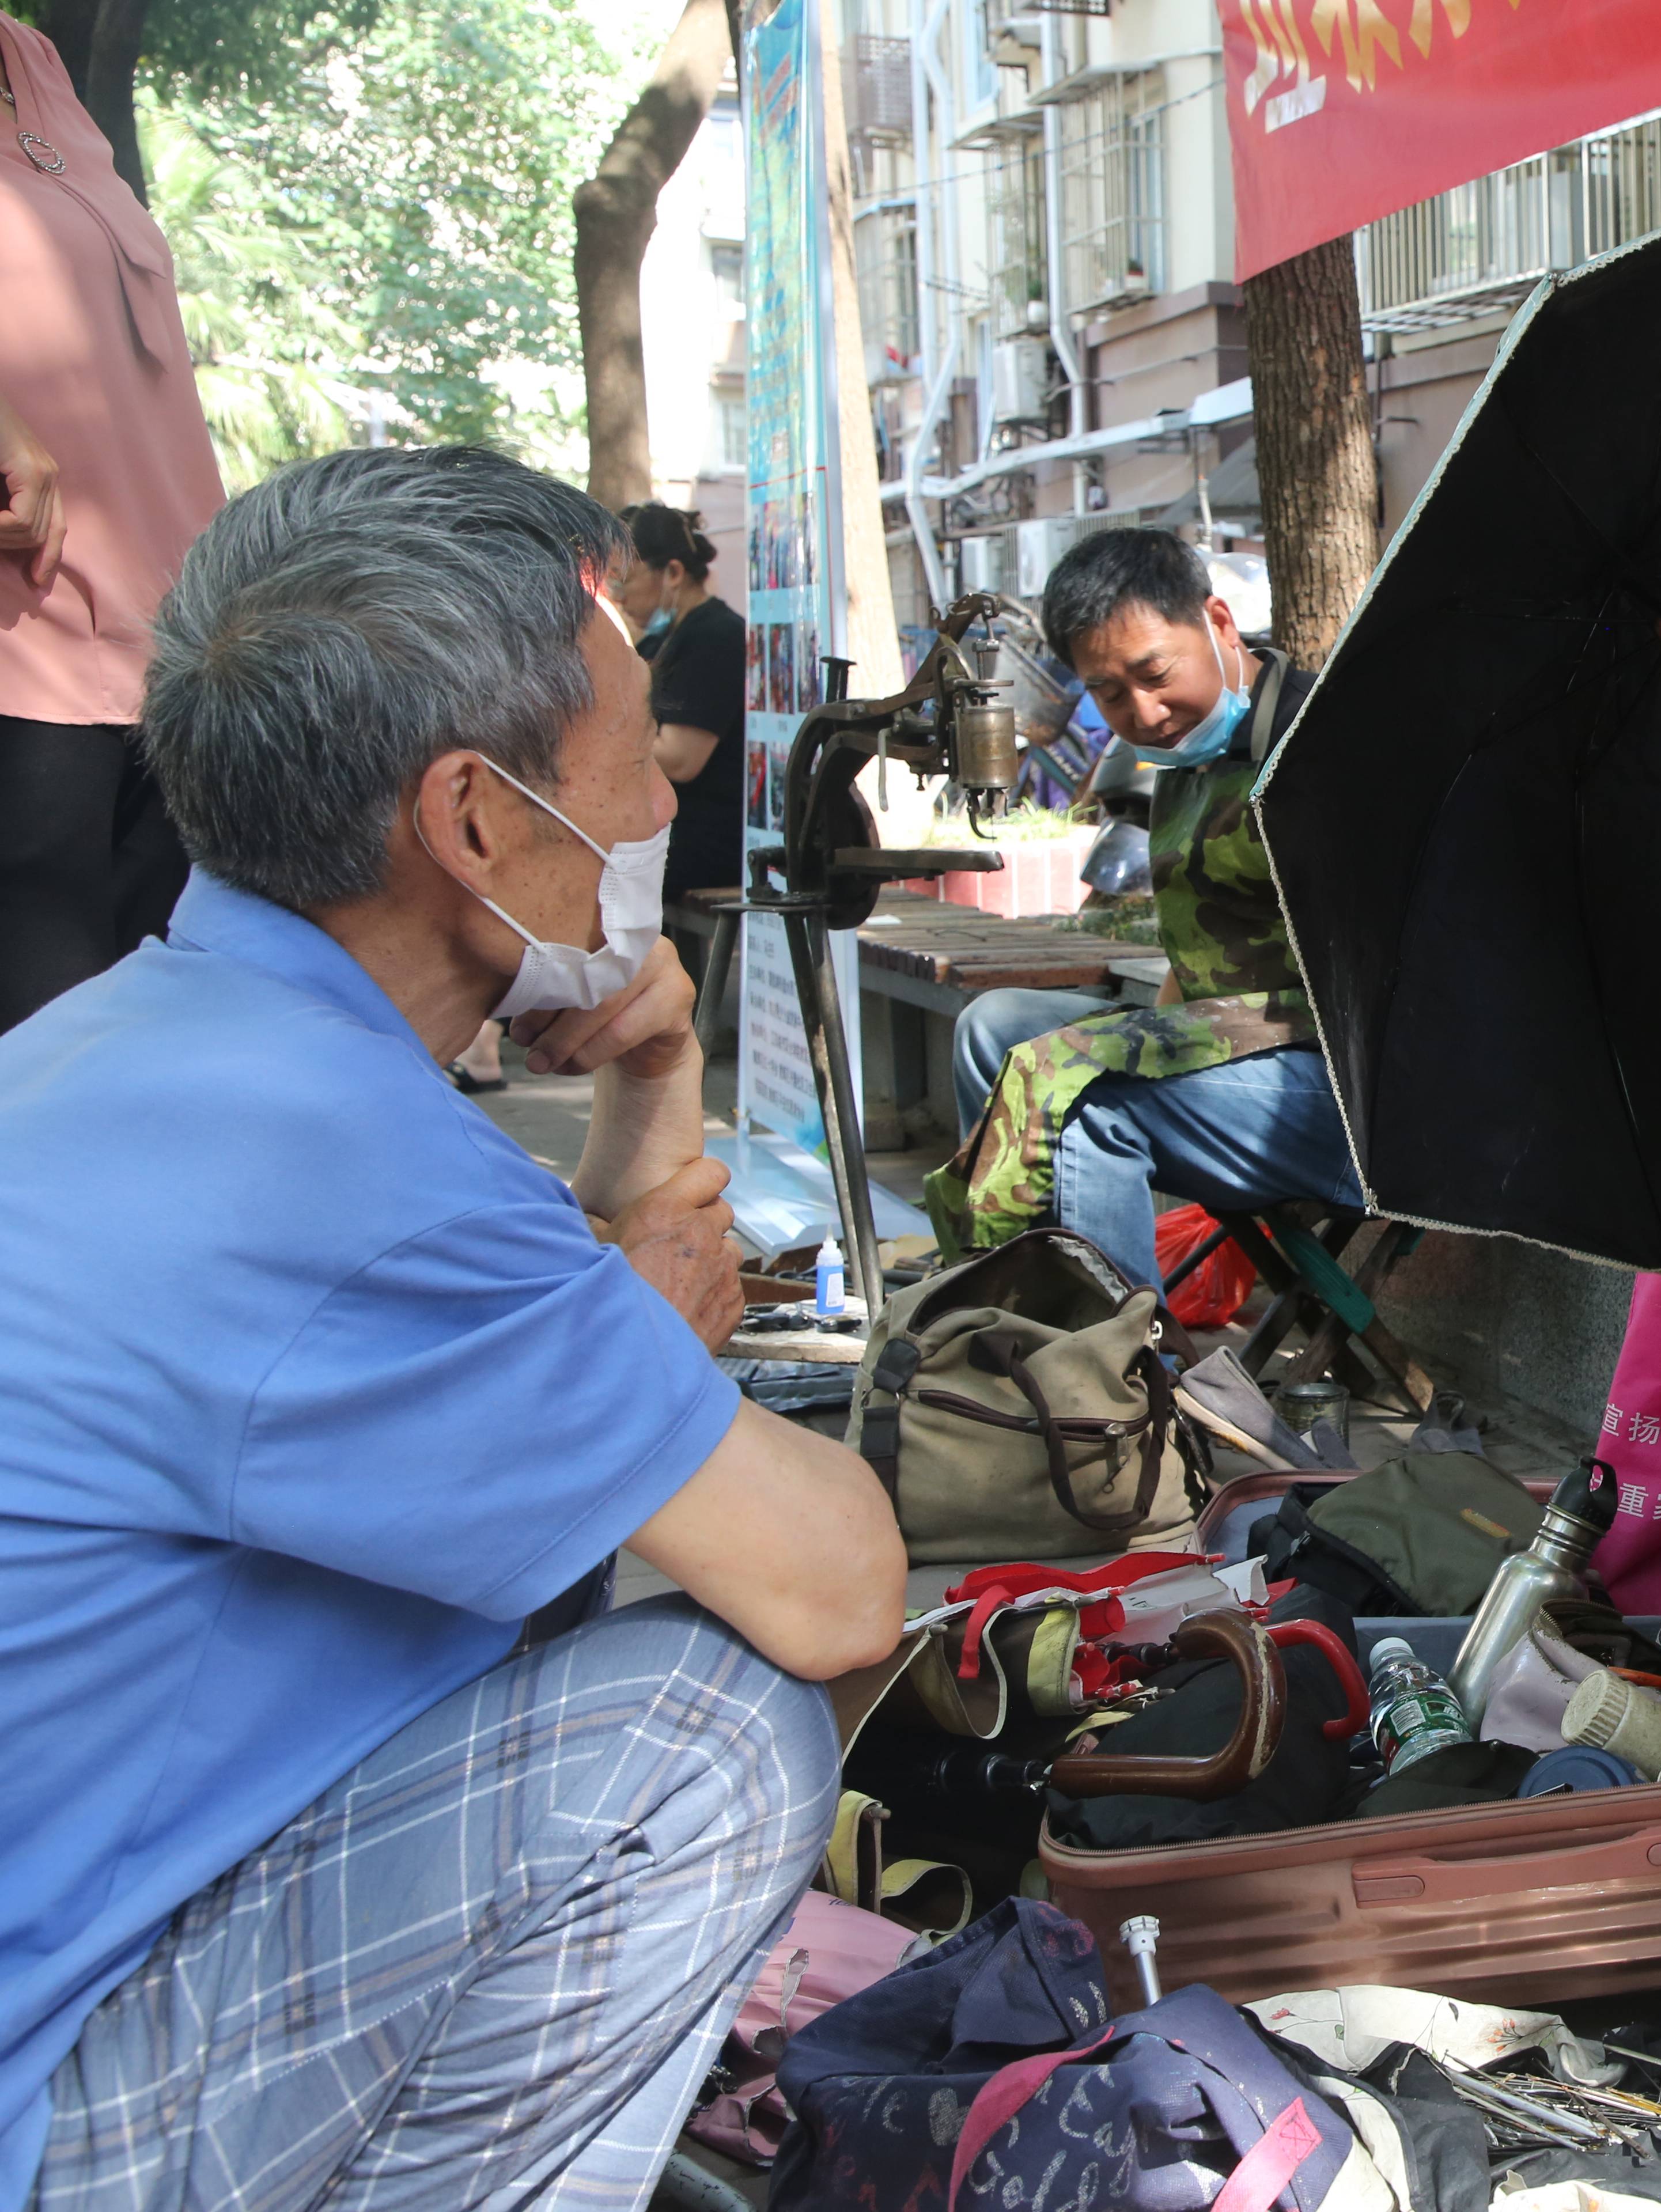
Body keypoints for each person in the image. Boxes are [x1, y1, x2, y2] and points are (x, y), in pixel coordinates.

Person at [0, 445, 909, 2212]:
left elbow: (532, 1443)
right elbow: (834, 1582)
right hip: (59, 2102)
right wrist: (643, 1322)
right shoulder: (350, 1170)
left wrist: (652, 1082)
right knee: (699, 1732)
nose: (654, 810)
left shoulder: (128, 1046)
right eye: (630, 755)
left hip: (86, 1944)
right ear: (474, 817)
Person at [926, 529, 1361, 1289]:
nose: (1145, 711)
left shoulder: (1324, 752)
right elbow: (1197, 953)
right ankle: (1021, 1302)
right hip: (1232, 1053)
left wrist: (1134, 1052)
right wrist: (1152, 1031)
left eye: (1154, 673)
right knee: (994, 1032)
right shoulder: (1192, 752)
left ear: (1219, 624)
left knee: (1090, 1105)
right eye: (1108, 693)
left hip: (1350, 1093)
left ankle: (1118, 1381)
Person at [0, 16, 227, 1035]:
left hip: (168, 636)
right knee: (42, 1031)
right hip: (25, 627)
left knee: (150, 1020)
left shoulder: (34, 60)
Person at [616, 502, 748, 902]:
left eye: (628, 580)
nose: (621, 597)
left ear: (673, 572)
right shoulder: (662, 639)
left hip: (708, 839)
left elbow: (680, 759)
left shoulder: (717, 635)